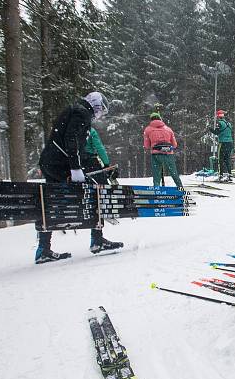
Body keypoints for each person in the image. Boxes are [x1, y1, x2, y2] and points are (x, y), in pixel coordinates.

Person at [35, 91, 123, 264]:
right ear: (96, 105)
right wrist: (75, 168)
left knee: (51, 201)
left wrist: (78, 166)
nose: (99, 114)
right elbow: (71, 138)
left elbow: (70, 140)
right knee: (93, 193)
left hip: (52, 162)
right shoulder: (82, 113)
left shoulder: (76, 110)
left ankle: (43, 249)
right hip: (59, 164)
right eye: (101, 110)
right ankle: (97, 240)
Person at [143, 112, 183, 188]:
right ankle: (180, 187)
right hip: (168, 153)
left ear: (151, 120)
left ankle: (157, 189)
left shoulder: (147, 129)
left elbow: (147, 145)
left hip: (156, 154)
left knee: (156, 173)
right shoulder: (168, 129)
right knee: (173, 172)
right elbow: (174, 145)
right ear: (160, 119)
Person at [210, 109, 234, 181]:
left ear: (218, 116)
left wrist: (210, 129)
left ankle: (220, 175)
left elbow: (216, 132)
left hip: (223, 143)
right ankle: (230, 174)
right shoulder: (228, 123)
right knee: (227, 159)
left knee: (220, 159)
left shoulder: (219, 123)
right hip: (230, 143)